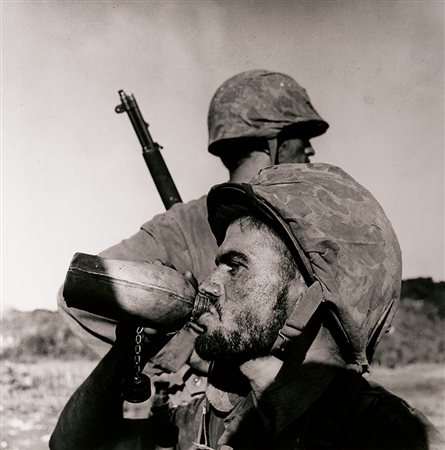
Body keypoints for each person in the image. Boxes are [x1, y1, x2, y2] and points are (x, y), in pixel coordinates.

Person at [51, 163, 444, 450]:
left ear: (312, 293)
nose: (208, 283)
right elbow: (74, 445)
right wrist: (130, 349)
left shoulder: (392, 438)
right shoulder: (214, 414)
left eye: (235, 267)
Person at [58, 70, 329, 402]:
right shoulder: (186, 226)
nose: (311, 151)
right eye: (301, 138)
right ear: (273, 142)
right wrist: (191, 349)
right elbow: (80, 289)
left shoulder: (306, 221)